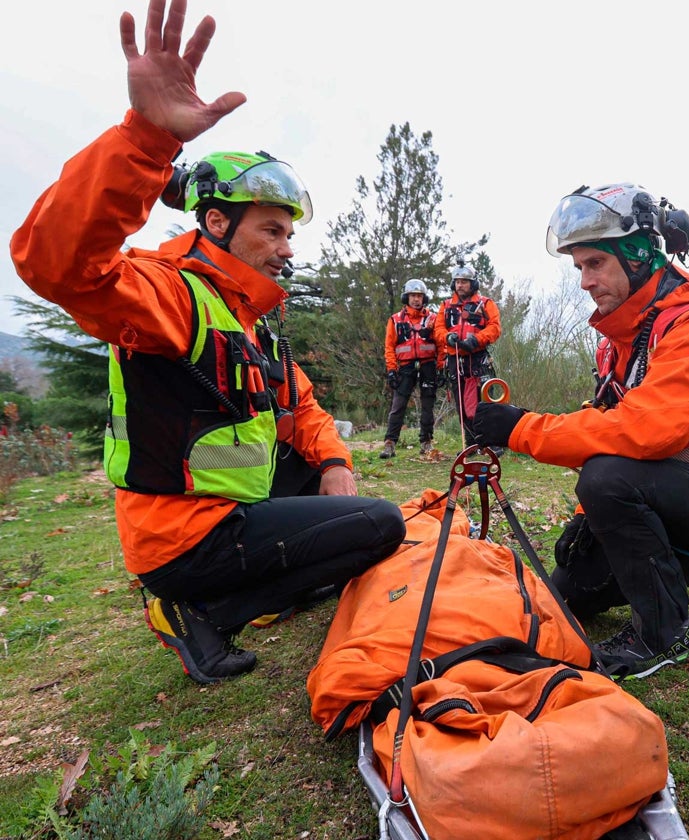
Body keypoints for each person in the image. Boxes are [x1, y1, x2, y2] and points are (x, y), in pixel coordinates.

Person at [9, 0, 407, 685]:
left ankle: (239, 590)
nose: (286, 249)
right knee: (381, 526)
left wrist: (336, 459)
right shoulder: (171, 295)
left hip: (226, 510)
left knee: (327, 482)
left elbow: (300, 405)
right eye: (271, 232)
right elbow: (57, 263)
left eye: (289, 234)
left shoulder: (246, 316)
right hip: (182, 539)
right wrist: (144, 139)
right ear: (217, 224)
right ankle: (199, 611)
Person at [473, 183, 689, 679]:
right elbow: (605, 430)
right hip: (668, 487)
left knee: (606, 481)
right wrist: (585, 516)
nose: (584, 282)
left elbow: (646, 432)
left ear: (637, 257)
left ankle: (662, 635)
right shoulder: (619, 339)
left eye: (595, 264)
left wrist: (521, 428)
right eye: (579, 267)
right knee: (573, 586)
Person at [433, 259, 501, 443]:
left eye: (464, 281)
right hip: (455, 359)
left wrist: (477, 339)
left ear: (473, 283)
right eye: (457, 281)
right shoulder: (446, 306)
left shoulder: (486, 304)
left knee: (485, 401)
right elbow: (438, 329)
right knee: (461, 403)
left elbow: (495, 328)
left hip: (478, 358)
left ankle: (491, 442)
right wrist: (447, 337)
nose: (460, 285)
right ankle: (470, 443)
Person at [381, 279, 439, 458]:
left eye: (419, 296)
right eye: (413, 295)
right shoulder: (396, 320)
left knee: (427, 405)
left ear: (424, 298)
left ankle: (426, 442)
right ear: (406, 297)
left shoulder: (433, 319)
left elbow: (442, 344)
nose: (416, 299)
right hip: (405, 367)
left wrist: (442, 366)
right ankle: (390, 443)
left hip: (428, 365)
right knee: (398, 405)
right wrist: (391, 370)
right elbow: (389, 347)